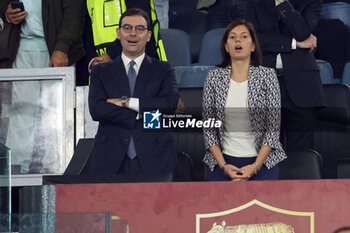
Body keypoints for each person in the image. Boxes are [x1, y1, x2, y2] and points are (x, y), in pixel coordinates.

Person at [88, 8, 179, 174]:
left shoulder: (164, 69)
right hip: (111, 159)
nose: (133, 33)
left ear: (149, 35)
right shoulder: (100, 71)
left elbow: (169, 104)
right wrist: (140, 114)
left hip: (155, 158)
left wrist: (126, 102)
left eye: (140, 29)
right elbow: (97, 109)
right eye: (127, 28)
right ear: (118, 33)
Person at [0, 0, 85, 173]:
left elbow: (74, 12)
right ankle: (17, 169)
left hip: (56, 50)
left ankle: (57, 167)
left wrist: (63, 46)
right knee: (21, 111)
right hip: (21, 48)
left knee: (56, 111)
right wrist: (6, 13)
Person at [202, 19, 287, 181]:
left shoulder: (267, 76)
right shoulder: (213, 78)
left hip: (263, 162)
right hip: (223, 161)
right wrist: (224, 166)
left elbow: (273, 129)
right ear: (226, 47)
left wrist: (255, 166)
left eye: (244, 36)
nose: (238, 40)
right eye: (232, 37)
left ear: (253, 46)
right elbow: (209, 129)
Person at [246, 0, 325, 151]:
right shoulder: (255, 2)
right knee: (267, 154)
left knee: (302, 153)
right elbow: (252, 39)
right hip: (264, 84)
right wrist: (293, 44)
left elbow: (304, 32)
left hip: (301, 85)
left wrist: (282, 4)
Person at [76, 0, 167, 86]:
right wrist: (93, 61)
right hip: (103, 74)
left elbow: (139, 28)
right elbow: (87, 32)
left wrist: (111, 55)